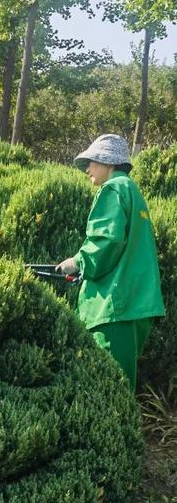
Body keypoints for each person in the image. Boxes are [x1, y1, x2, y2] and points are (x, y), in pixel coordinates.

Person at [56, 134, 165, 392]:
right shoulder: (132, 190)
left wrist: (77, 262)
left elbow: (106, 242)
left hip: (114, 306)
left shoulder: (112, 188)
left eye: (92, 161)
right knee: (121, 384)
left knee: (109, 389)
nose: (87, 169)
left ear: (109, 163)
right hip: (135, 304)